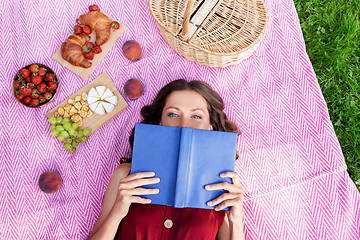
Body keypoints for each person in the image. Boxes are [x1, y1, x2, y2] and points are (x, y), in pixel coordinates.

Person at [87, 79, 245, 240]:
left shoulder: (221, 183)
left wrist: (236, 221)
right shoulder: (126, 174)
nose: (184, 125)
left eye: (196, 116)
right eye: (173, 114)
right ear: (160, 122)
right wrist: (117, 213)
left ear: (209, 127)